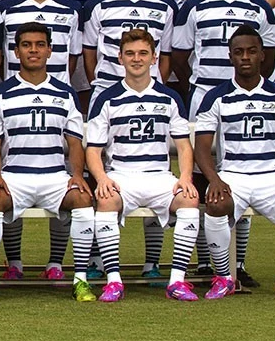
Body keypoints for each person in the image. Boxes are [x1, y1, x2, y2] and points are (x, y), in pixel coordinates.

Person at [173, 0, 275, 283]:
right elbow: (178, 56)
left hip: (245, 100)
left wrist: (244, 89)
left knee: (244, 174)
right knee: (205, 177)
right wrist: (205, 87)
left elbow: (270, 56)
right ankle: (208, 261)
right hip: (205, 98)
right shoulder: (194, 5)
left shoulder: (261, 8)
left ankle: (240, 263)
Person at [0, 22, 97, 303]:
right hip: (15, 176)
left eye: (40, 45)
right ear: (16, 51)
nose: (33, 50)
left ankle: (80, 279)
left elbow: (75, 142)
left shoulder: (66, 94)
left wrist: (77, 174)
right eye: (26, 45)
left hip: (54, 176)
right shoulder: (1, 94)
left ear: (50, 50)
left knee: (81, 199)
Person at [194, 26, 275, 300]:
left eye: (251, 51)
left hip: (269, 176)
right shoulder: (216, 97)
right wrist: (214, 179)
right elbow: (202, 147)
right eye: (238, 52)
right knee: (215, 203)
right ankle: (224, 277)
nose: (245, 57)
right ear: (230, 57)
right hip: (232, 175)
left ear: (262, 55)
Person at [85, 29, 201, 302]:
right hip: (121, 175)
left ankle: (177, 281)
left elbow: (184, 145)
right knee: (105, 200)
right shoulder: (107, 98)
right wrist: (101, 178)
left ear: (154, 58)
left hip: (159, 175)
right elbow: (93, 150)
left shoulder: (169, 97)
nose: (136, 59)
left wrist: (185, 177)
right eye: (130, 54)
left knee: (189, 199)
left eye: (142, 53)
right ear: (120, 58)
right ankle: (113, 280)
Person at [0, 0, 81, 281]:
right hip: (15, 103)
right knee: (12, 180)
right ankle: (14, 262)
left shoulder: (72, 9)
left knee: (60, 178)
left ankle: (56, 263)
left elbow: (73, 60)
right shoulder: (6, 8)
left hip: (57, 104)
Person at [82, 0, 177, 104]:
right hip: (107, 93)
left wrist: (151, 86)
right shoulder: (97, 5)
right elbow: (88, 54)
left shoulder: (166, 6)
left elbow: (166, 56)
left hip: (151, 94)